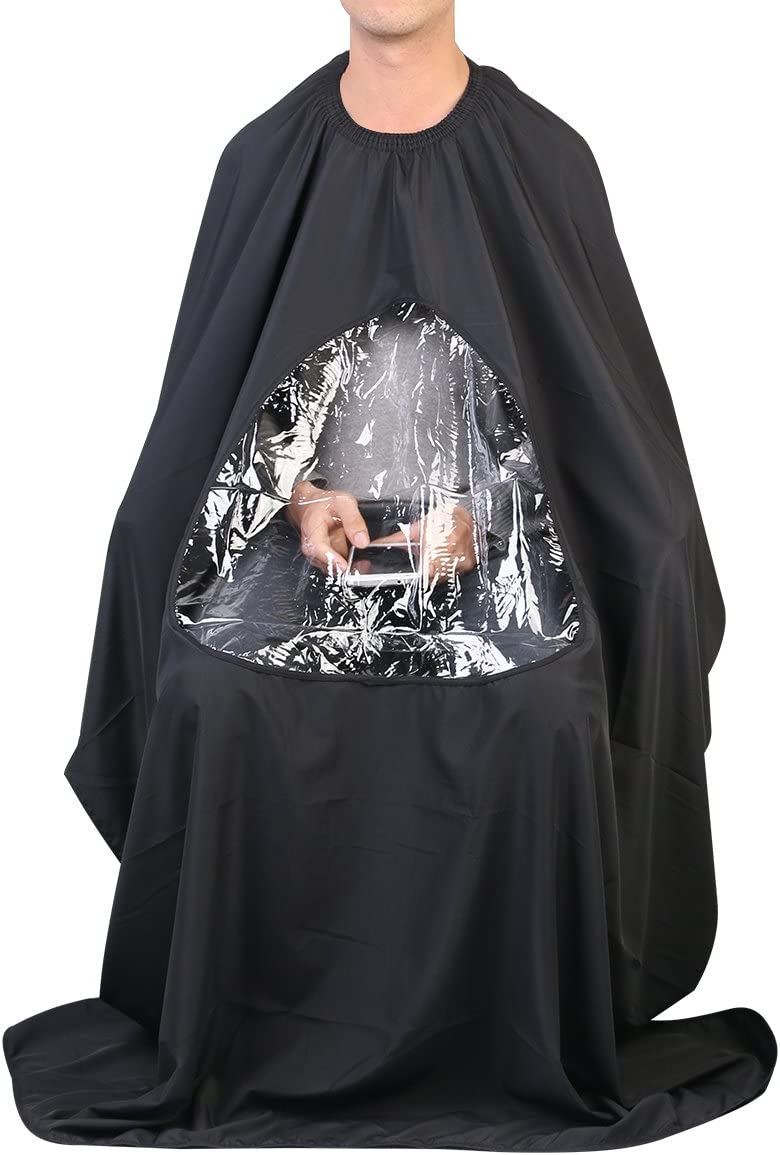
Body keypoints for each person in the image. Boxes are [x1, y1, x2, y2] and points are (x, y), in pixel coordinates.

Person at [3, 0, 776, 1149]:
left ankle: (510, 1040)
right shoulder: (262, 161)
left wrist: (494, 517)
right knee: (215, 686)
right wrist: (302, 498)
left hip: (499, 550)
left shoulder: (547, 159)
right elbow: (206, 424)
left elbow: (601, 434)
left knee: (540, 706)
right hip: (299, 546)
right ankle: (248, 1034)